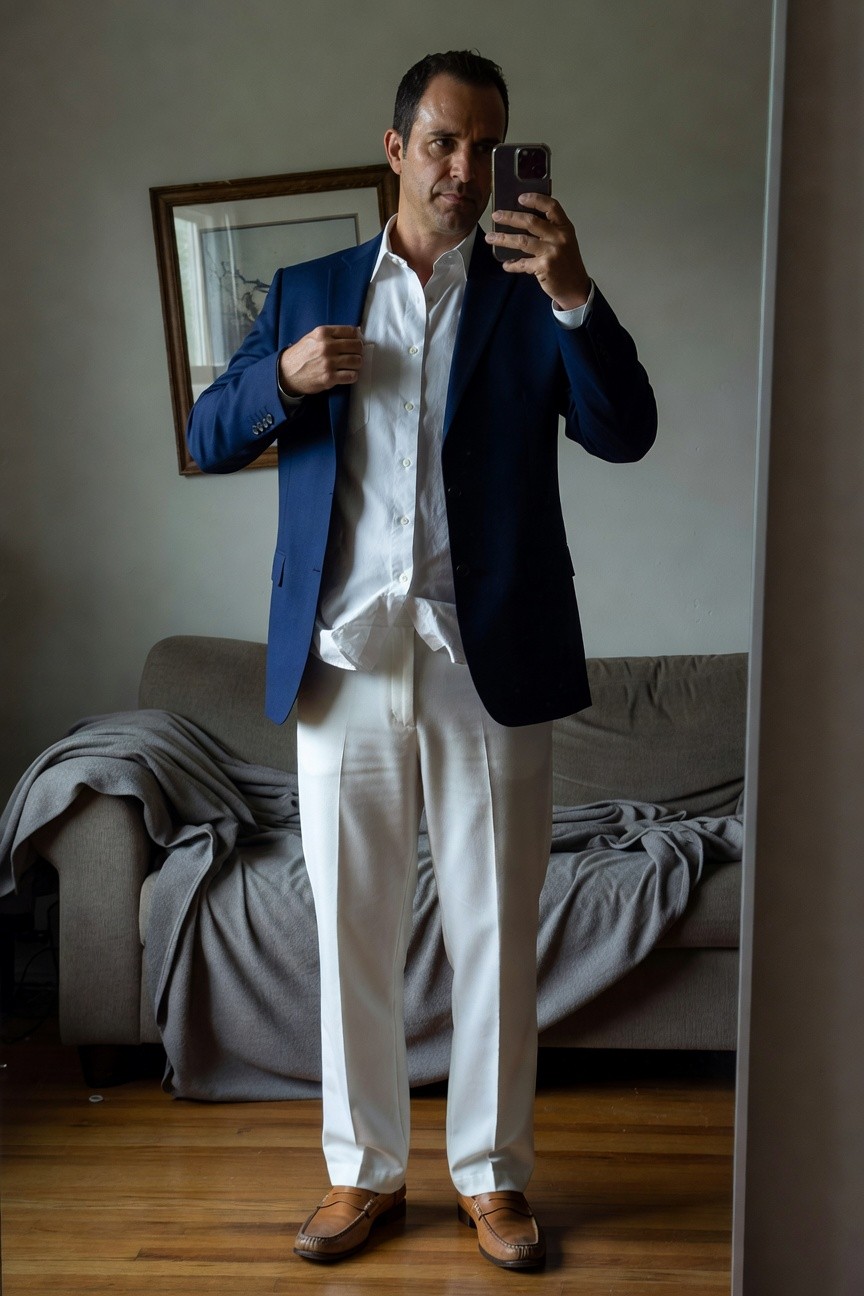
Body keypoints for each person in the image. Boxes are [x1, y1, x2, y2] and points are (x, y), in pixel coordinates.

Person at [187, 49, 656, 1271]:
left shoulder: (526, 291)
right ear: (396, 149)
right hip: (345, 664)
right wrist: (283, 380)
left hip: (485, 660)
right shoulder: (306, 291)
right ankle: (363, 1174)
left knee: (500, 928)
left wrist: (573, 293)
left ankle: (494, 1177)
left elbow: (626, 430)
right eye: (445, 143)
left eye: (487, 145)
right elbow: (206, 429)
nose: (466, 168)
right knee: (350, 927)